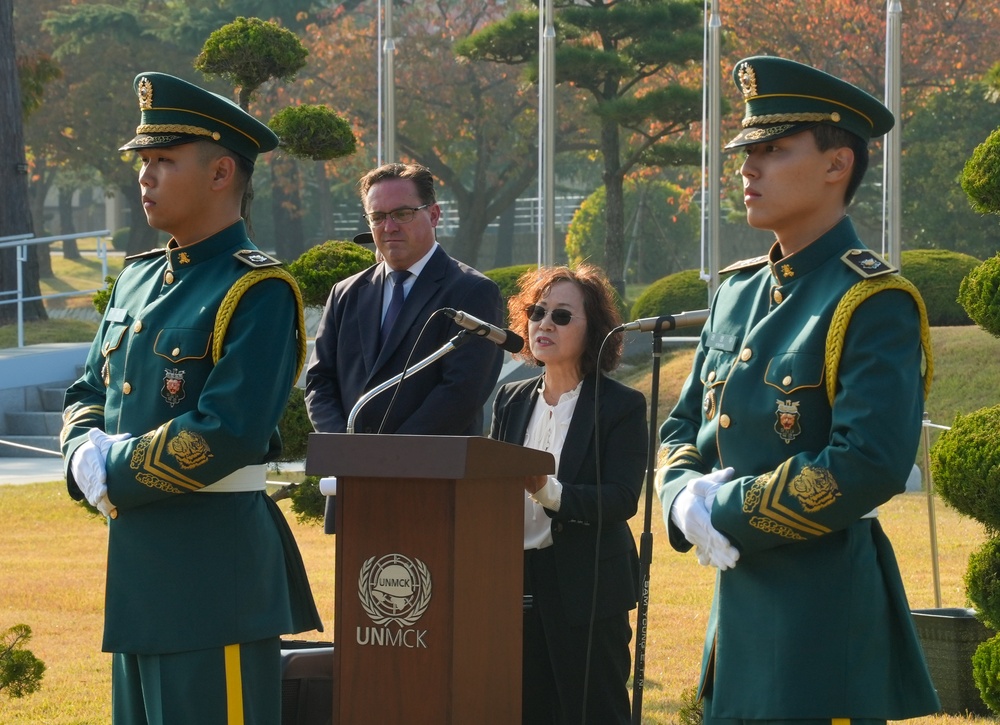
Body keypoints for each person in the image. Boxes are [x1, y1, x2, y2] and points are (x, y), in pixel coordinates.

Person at [656, 56, 941, 722]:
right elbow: (682, 429)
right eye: (746, 152)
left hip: (821, 615)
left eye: (774, 150)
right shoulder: (734, 293)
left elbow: (867, 461)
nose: (748, 168)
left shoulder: (870, 300)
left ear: (837, 165)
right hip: (738, 610)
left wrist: (723, 510)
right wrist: (679, 501)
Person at [60, 71, 322, 724]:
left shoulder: (257, 290)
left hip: (214, 581)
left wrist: (113, 469)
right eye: (144, 162)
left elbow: (229, 427)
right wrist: (77, 456)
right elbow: (88, 389)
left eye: (164, 160)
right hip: (140, 579)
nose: (145, 176)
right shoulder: (137, 279)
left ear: (220, 173)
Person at [305, 163, 505, 527]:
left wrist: (387, 460)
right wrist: (346, 453)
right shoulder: (346, 293)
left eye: (402, 213)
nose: (389, 226)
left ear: (434, 214)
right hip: (354, 487)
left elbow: (461, 392)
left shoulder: (472, 292)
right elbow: (320, 382)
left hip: (431, 487)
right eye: (377, 216)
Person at [490, 264, 647, 724]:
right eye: (537, 312)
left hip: (587, 585)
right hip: (515, 582)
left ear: (595, 330)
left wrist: (548, 491)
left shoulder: (621, 405)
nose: (544, 324)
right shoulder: (511, 398)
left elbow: (621, 498)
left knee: (593, 711)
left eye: (562, 316)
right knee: (525, 709)